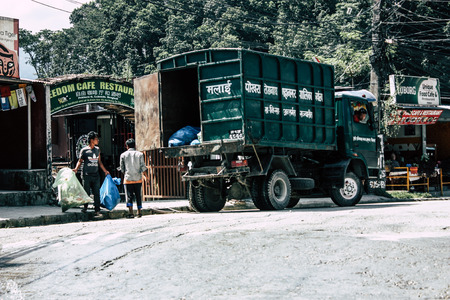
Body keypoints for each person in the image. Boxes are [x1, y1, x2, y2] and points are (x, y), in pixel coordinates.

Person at [73, 131, 109, 216]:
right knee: (86, 192)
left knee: (97, 193)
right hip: (86, 175)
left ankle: (97, 209)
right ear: (92, 140)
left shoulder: (97, 150)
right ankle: (85, 207)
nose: (98, 140)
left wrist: (105, 171)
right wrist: (76, 169)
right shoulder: (84, 150)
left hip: (96, 175)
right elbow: (80, 161)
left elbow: (99, 162)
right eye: (96, 139)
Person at [120, 138, 148, 218]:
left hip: (128, 179)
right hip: (138, 178)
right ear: (135, 145)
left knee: (129, 196)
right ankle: (139, 212)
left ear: (127, 146)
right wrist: (146, 176)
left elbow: (122, 168)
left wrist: (126, 173)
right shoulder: (140, 154)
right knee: (138, 195)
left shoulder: (123, 155)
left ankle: (131, 213)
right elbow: (143, 166)